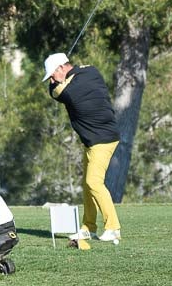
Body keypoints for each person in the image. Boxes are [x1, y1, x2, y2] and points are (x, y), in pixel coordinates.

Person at [43, 52, 122, 244]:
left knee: (93, 182)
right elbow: (72, 76)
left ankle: (113, 228)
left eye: (53, 74)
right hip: (93, 140)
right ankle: (88, 228)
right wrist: (62, 77)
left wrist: (57, 82)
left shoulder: (69, 91)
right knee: (87, 186)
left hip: (102, 140)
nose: (52, 79)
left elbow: (54, 91)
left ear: (62, 68)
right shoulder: (91, 71)